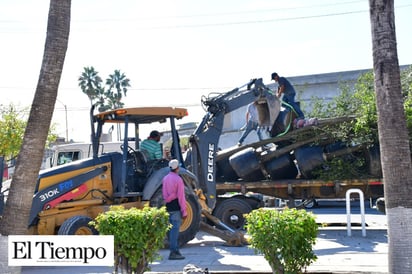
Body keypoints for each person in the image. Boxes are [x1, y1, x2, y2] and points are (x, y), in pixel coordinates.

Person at [162, 159, 187, 260]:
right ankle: (174, 252)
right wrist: (184, 211)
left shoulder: (165, 178)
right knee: (175, 231)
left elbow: (164, 195)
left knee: (170, 230)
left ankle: (174, 251)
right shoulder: (178, 179)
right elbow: (181, 197)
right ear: (177, 168)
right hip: (176, 208)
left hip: (168, 207)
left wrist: (169, 198)